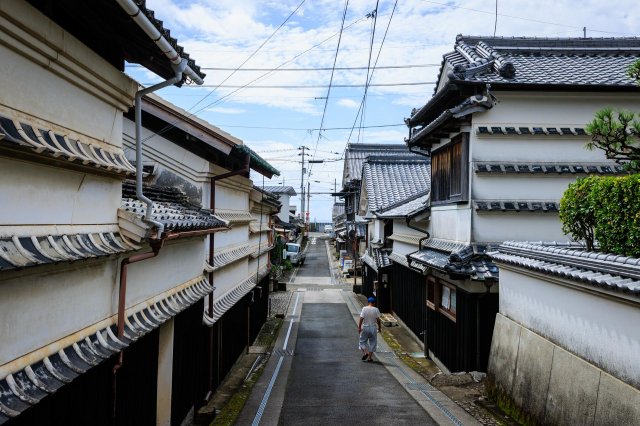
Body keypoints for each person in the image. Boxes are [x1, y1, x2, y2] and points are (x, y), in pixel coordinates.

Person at [358, 296, 382, 362]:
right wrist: (379, 328)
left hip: (365, 327)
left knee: (362, 342)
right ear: (374, 303)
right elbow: (378, 320)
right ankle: (370, 358)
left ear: (368, 302)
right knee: (373, 343)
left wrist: (359, 327)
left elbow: (361, 318)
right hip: (373, 328)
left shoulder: (364, 308)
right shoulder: (376, 309)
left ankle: (366, 353)